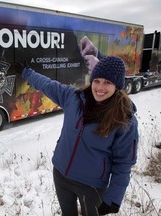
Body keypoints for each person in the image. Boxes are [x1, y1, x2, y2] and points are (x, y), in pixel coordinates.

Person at [15, 56, 139, 216]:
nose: (100, 87)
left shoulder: (125, 119)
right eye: (97, 80)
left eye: (107, 82)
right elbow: (47, 85)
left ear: (117, 86)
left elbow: (123, 163)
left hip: (92, 186)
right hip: (61, 175)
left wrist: (114, 198)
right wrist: (26, 72)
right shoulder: (73, 97)